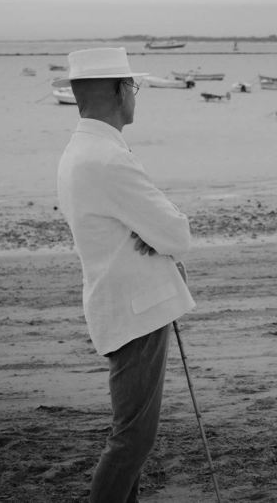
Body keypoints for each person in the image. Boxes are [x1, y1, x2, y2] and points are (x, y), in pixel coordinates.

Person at [56, 47, 196, 502]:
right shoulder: (107, 157)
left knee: (133, 438)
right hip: (135, 308)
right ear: (119, 91)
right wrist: (158, 229)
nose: (135, 95)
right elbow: (177, 233)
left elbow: (158, 230)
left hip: (121, 303)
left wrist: (151, 229)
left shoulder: (82, 150)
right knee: (132, 439)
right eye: (132, 86)